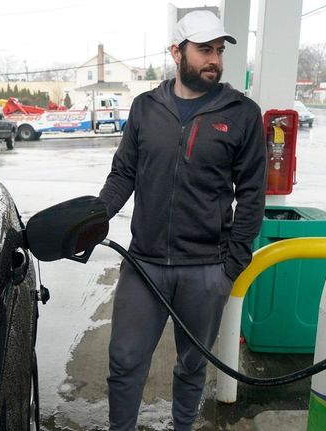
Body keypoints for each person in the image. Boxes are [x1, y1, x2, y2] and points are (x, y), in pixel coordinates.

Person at [98, 9, 267, 430]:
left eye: (219, 51)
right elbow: (123, 174)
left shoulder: (242, 113)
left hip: (207, 268)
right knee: (124, 362)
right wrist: (96, 217)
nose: (214, 59)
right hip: (144, 265)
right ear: (177, 52)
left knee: (192, 368)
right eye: (204, 50)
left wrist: (231, 265)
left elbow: (251, 194)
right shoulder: (145, 107)